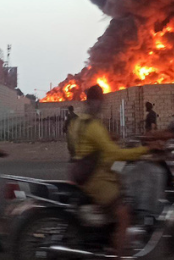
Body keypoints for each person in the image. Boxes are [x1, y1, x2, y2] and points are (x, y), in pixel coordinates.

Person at [69, 85, 161, 257]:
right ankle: (118, 254)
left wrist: (107, 138)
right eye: (100, 101)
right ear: (94, 102)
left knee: (121, 178)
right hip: (95, 177)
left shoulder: (78, 121)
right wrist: (145, 150)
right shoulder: (94, 126)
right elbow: (115, 153)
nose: (101, 104)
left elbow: (83, 144)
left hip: (81, 170)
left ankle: (107, 233)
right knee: (124, 214)